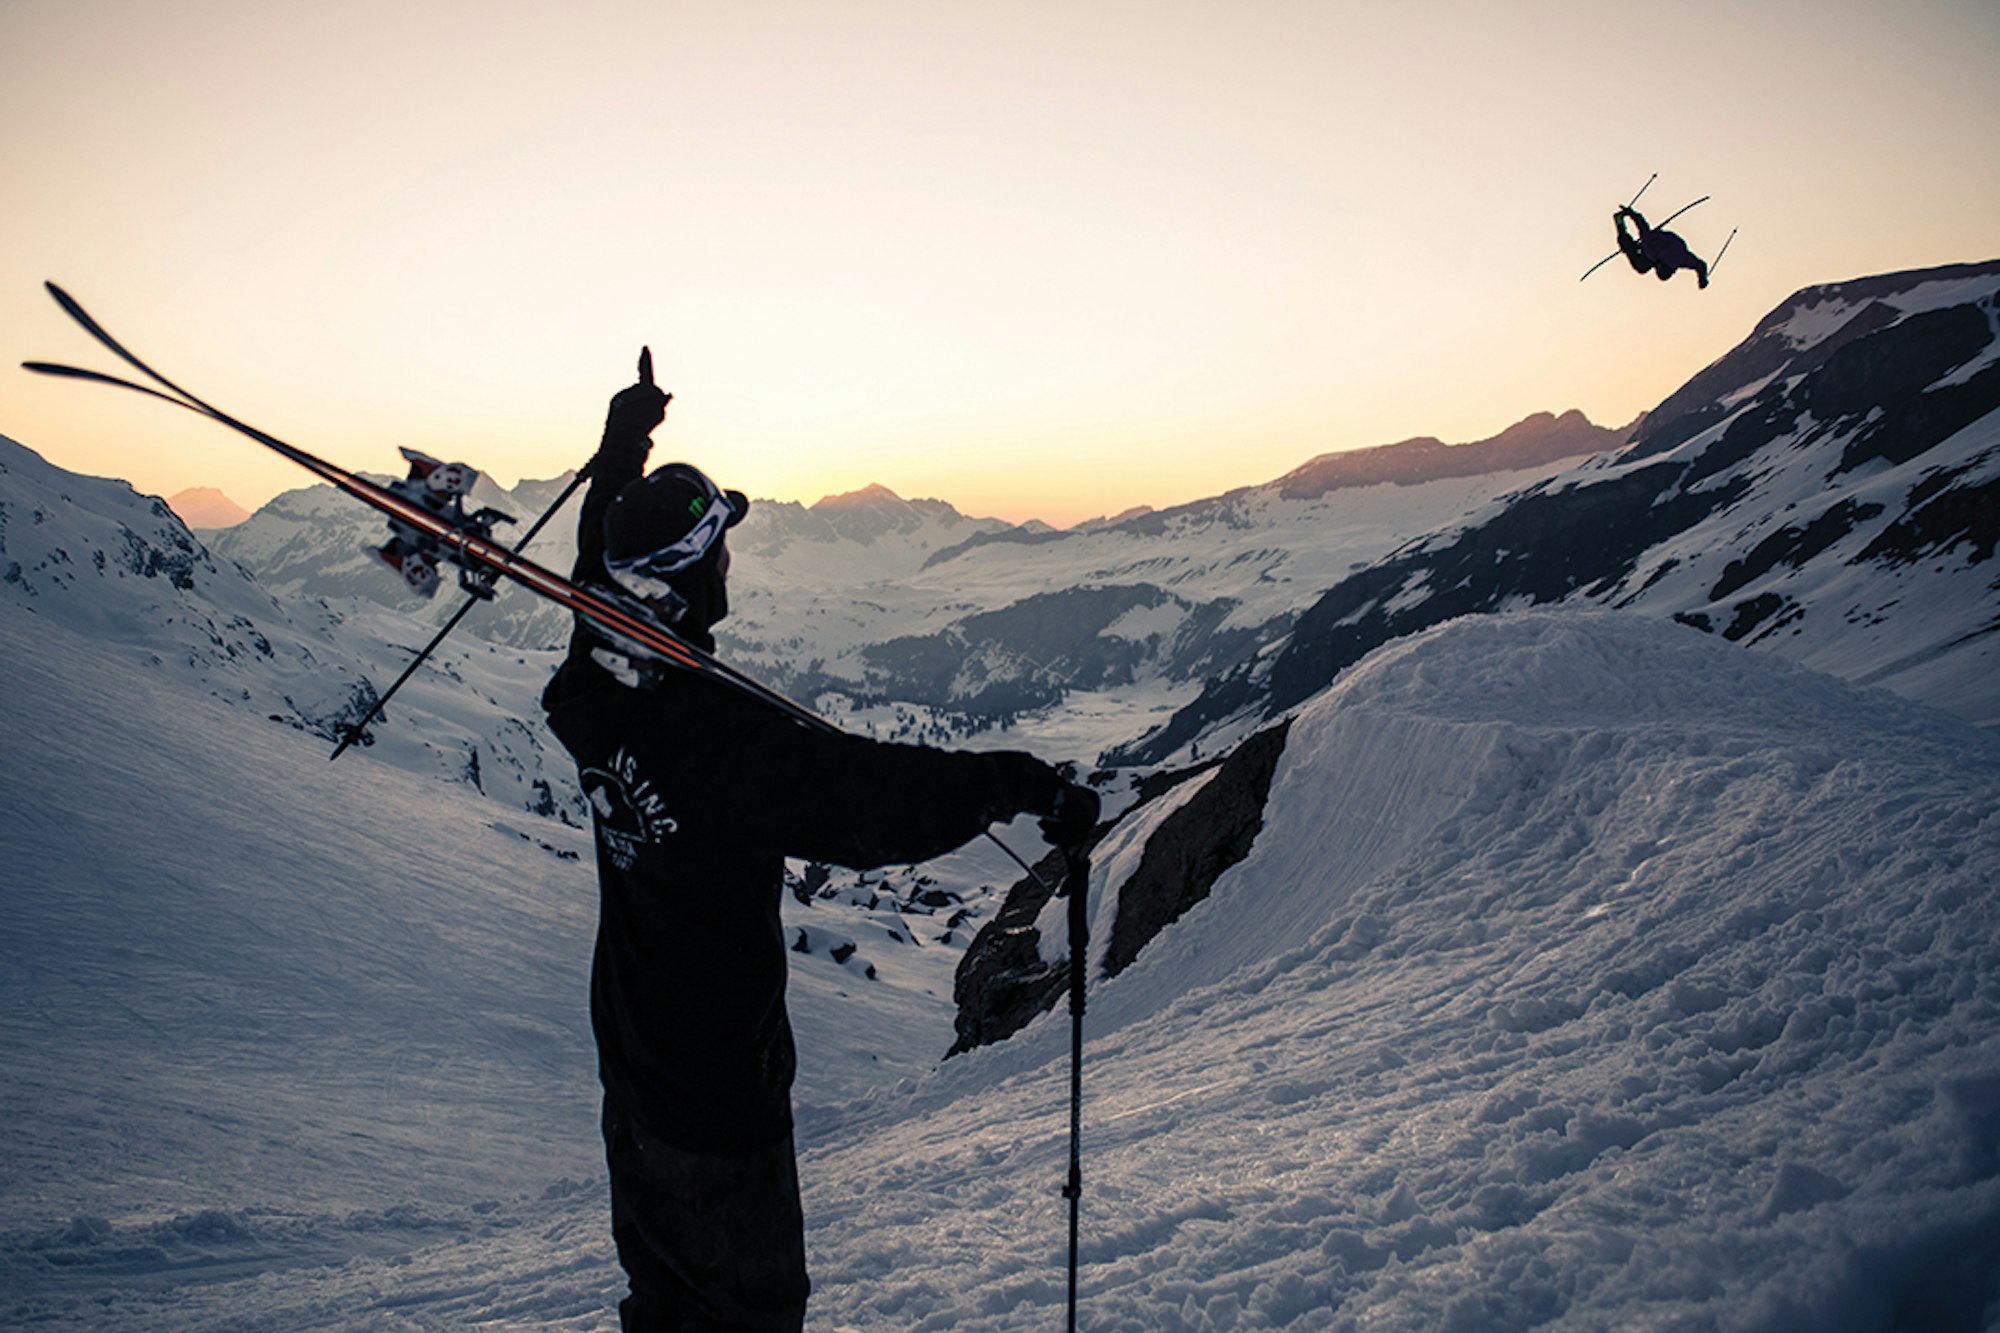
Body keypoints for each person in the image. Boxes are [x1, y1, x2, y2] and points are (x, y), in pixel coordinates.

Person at [541, 366, 1098, 1331]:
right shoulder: (724, 744)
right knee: (750, 1312)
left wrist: (624, 445)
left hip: (633, 1065)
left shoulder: (595, 679)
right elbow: (874, 801)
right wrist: (1025, 784)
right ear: (689, 581)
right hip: (720, 1097)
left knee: (665, 1301)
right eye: (718, 551)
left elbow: (599, 561)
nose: (730, 566)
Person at [1615, 206, 1709, 288]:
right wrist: (1631, 213)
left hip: (1667, 242)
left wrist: (1702, 279)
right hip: (1658, 241)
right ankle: (1620, 225)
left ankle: (1629, 242)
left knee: (1640, 261)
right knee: (1640, 265)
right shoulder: (1652, 250)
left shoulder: (1682, 260)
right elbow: (1643, 227)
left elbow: (1700, 265)